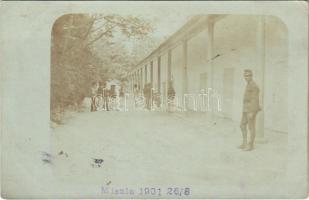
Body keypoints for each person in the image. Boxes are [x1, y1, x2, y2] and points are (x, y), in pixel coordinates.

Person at [239, 69, 261, 151]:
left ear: (251, 76)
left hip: (251, 109)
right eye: (245, 75)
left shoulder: (254, 85)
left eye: (248, 75)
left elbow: (255, 99)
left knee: (251, 127)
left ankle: (250, 145)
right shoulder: (248, 84)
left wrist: (252, 111)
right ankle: (244, 143)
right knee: (242, 125)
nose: (246, 77)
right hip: (246, 109)